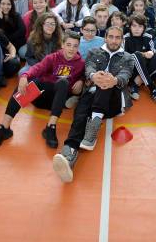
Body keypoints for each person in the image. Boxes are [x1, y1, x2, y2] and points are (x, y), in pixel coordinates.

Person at [52, 26, 134, 182]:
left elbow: (125, 75)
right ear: (105, 38)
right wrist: (93, 75)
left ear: (122, 40)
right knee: (81, 114)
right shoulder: (94, 52)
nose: (114, 40)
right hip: (91, 95)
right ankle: (69, 154)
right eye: (111, 36)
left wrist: (113, 80)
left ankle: (93, 129)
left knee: (106, 83)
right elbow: (88, 68)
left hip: (113, 101)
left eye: (118, 38)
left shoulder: (128, 57)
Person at [0, 31, 85, 149]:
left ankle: (50, 127)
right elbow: (37, 68)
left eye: (75, 46)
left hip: (57, 101)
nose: (71, 49)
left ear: (78, 47)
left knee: (63, 82)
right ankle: (4, 127)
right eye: (69, 45)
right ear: (63, 45)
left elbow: (85, 77)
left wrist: (81, 80)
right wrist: (24, 76)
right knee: (30, 83)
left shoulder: (80, 63)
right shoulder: (52, 58)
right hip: (41, 97)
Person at [124, 14, 156, 106]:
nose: (137, 29)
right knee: (136, 55)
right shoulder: (125, 38)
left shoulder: (148, 37)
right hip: (131, 70)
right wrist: (143, 54)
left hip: (145, 68)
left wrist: (151, 53)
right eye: (134, 26)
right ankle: (152, 89)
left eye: (140, 26)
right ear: (130, 27)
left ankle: (136, 83)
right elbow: (125, 57)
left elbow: (153, 51)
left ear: (144, 28)